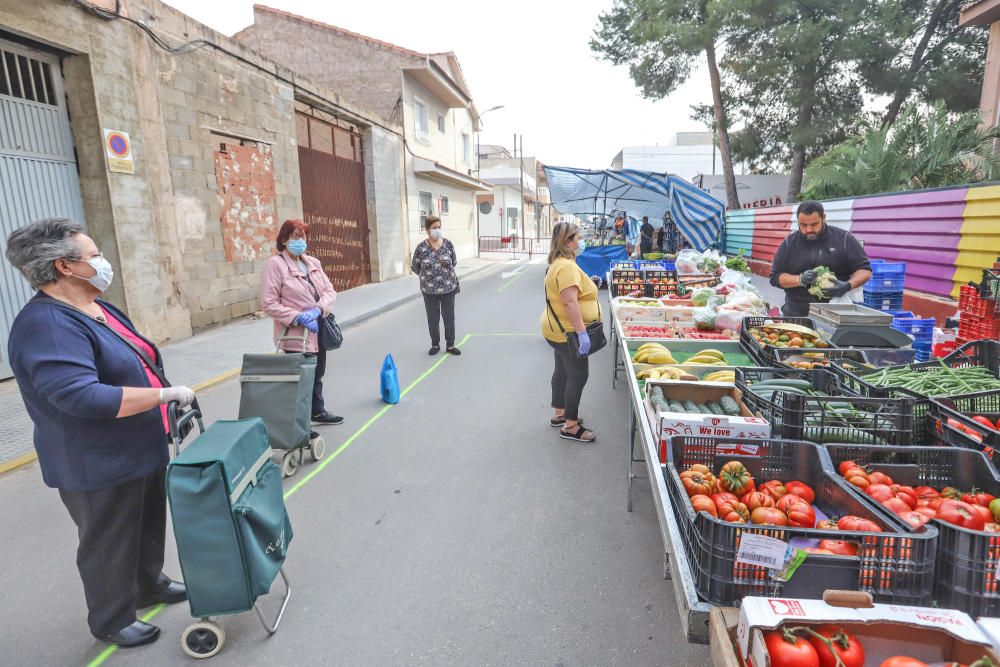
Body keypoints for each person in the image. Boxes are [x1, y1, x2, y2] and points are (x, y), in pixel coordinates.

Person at [4, 218, 196, 647]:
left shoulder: (96, 305)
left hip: (140, 444)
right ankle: (111, 618)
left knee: (146, 522)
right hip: (96, 459)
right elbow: (82, 397)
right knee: (109, 539)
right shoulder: (46, 325)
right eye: (93, 256)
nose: (102, 262)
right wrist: (163, 395)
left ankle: (149, 584)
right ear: (64, 267)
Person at [260, 219, 344, 426]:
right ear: (284, 240)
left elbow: (329, 291)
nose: (301, 241)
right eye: (295, 237)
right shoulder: (275, 265)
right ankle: (299, 427)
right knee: (300, 381)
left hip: (318, 329)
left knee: (317, 374)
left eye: (303, 236)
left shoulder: (313, 263)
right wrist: (298, 316)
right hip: (295, 334)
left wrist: (318, 309)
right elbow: (268, 303)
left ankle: (317, 411)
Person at [542, 222, 600, 443]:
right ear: (567, 242)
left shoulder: (560, 263)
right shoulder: (566, 267)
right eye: (578, 237)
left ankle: (559, 413)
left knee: (562, 372)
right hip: (568, 332)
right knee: (578, 376)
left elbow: (569, 293)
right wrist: (582, 333)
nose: (581, 241)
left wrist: (589, 286)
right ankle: (571, 426)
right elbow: (569, 302)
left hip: (556, 330)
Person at [770, 200, 872, 316]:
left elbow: (865, 271)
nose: (808, 230)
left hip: (835, 314)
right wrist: (800, 280)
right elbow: (775, 277)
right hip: (796, 314)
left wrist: (847, 286)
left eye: (814, 224)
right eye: (803, 225)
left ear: (823, 218)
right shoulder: (789, 243)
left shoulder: (844, 239)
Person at [411, 215, 461, 356]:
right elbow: (415, 267)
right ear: (427, 230)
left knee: (449, 317)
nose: (437, 230)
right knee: (433, 318)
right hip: (429, 290)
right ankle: (435, 344)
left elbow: (454, 262)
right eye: (434, 228)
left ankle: (450, 345)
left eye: (439, 227)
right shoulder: (421, 248)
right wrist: (429, 277)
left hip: (448, 288)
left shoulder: (448, 244)